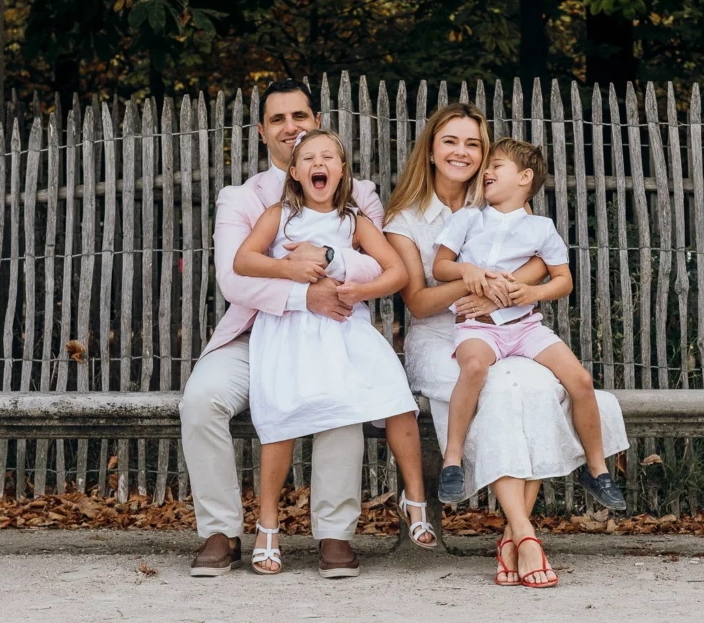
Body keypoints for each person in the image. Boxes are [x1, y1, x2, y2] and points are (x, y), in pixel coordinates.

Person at [383, 103, 629, 588]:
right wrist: (472, 286)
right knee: (497, 392)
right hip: (441, 335)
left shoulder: (500, 196)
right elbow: (418, 302)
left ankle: (512, 539)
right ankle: (524, 533)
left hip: (509, 324)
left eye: (473, 144)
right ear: (430, 149)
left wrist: (505, 290)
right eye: (450, 141)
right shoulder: (405, 218)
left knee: (537, 389)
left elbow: (542, 263)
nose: (462, 152)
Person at [180, 80, 388, 579]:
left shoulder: (359, 194)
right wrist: (303, 294)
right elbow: (234, 278)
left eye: (300, 116)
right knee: (201, 400)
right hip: (257, 334)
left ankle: (334, 533)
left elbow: (379, 271)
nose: (291, 127)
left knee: (342, 401)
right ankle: (221, 529)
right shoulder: (242, 197)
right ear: (262, 132)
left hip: (332, 333)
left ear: (316, 121)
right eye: (278, 119)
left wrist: (335, 267)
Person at [233, 128, 436, 575]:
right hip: (291, 330)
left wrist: (358, 289)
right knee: (281, 417)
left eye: (328, 157)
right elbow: (243, 261)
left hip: (346, 329)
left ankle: (414, 499)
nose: (318, 164)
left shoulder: (356, 220)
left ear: (342, 170)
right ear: (295, 170)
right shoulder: (278, 215)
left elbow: (398, 271)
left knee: (396, 399)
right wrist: (288, 266)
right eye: (308, 158)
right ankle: (268, 526)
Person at [432, 137, 627, 524]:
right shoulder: (468, 219)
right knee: (472, 369)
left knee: (581, 380)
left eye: (496, 166)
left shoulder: (541, 227)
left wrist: (532, 291)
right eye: (487, 166)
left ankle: (596, 468)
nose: (486, 171)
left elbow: (563, 280)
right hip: (478, 326)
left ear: (524, 177)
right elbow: (440, 267)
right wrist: (467, 271)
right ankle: (452, 460)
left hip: (525, 326)